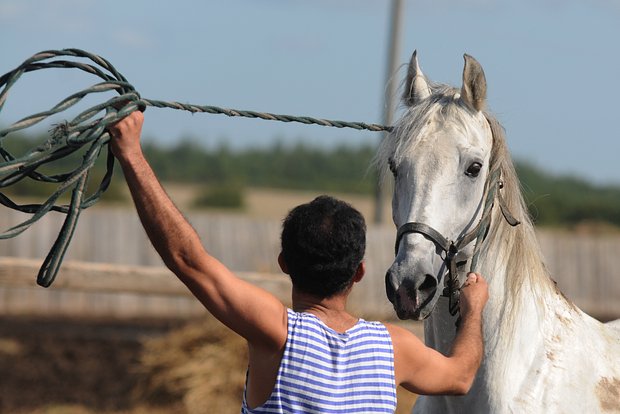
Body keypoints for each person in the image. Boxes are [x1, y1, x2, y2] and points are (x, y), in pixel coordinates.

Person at [108, 110, 489, 413]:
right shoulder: (392, 349)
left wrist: (131, 153)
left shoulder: (276, 332)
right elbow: (460, 376)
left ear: (283, 263)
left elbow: (186, 258)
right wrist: (472, 311)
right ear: (359, 272)